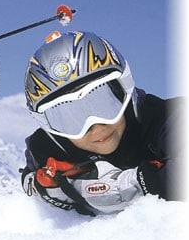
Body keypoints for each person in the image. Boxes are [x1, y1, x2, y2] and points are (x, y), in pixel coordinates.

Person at [20, 30, 184, 216]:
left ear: (125, 90)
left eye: (104, 103)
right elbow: (31, 180)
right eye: (70, 117)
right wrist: (54, 188)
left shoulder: (167, 119)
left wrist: (128, 185)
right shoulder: (48, 148)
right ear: (51, 127)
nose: (96, 127)